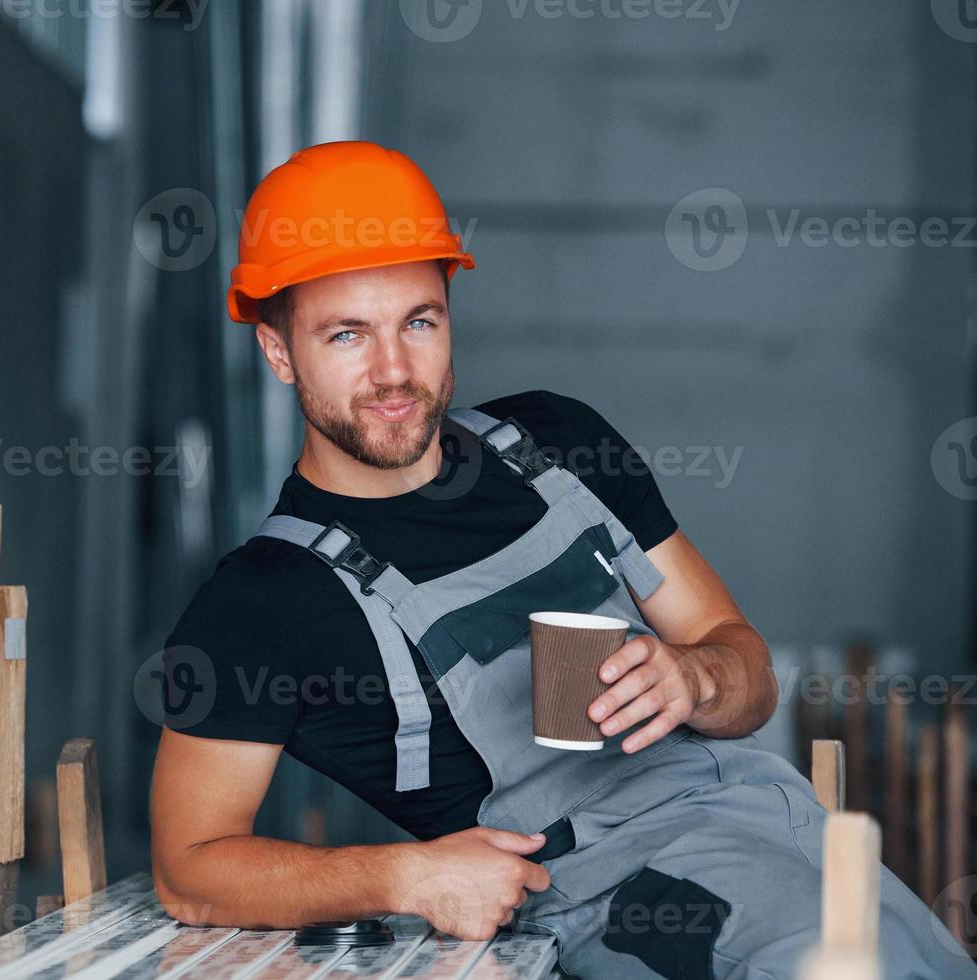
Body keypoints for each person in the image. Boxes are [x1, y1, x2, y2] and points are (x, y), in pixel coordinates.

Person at [148, 140, 974, 979]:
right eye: (347, 334)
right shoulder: (265, 599)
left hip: (770, 814)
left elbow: (747, 672)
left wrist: (696, 677)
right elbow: (191, 869)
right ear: (279, 350)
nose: (393, 371)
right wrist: (408, 875)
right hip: (612, 885)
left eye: (419, 322)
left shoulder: (556, 442)